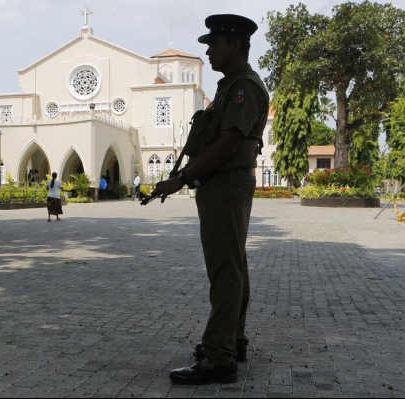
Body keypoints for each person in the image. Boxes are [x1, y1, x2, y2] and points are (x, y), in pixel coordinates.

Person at [150, 14, 269, 385]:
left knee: (224, 269)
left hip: (225, 184)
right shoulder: (229, 86)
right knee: (233, 265)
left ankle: (220, 357)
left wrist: (183, 178)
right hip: (223, 184)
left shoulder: (243, 88)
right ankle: (232, 341)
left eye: (214, 43)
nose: (209, 50)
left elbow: (228, 143)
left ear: (235, 44)